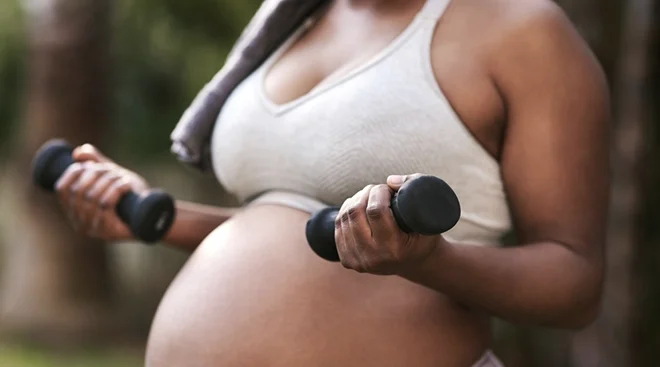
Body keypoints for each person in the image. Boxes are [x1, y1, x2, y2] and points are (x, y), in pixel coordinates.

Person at [54, 0, 610, 365]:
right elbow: (289, 231)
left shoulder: (522, 29)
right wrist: (159, 217)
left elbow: (574, 283)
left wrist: (430, 261)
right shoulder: (292, 18)